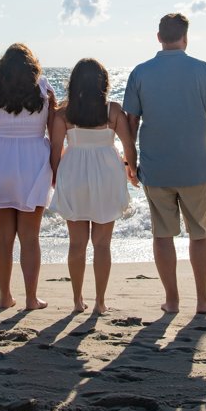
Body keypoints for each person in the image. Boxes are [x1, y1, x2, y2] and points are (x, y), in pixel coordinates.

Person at [123, 13, 206, 314]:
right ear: (185, 37)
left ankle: (173, 300)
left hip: (156, 167)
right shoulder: (204, 70)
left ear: (158, 37)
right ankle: (203, 300)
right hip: (195, 166)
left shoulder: (140, 72)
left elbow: (131, 122)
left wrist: (131, 161)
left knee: (163, 235)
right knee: (199, 234)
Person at [51, 58, 139, 314]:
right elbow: (129, 145)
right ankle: (100, 302)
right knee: (102, 244)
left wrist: (55, 178)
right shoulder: (113, 110)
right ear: (103, 82)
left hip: (74, 172)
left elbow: (55, 150)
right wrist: (131, 170)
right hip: (107, 173)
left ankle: (78, 300)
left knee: (76, 243)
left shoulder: (63, 113)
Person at [0, 43, 54, 311]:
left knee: (3, 237)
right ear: (32, 66)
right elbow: (55, 135)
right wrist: (55, 169)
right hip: (34, 163)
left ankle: (5, 297)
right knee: (30, 238)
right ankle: (31, 298)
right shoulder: (44, 90)